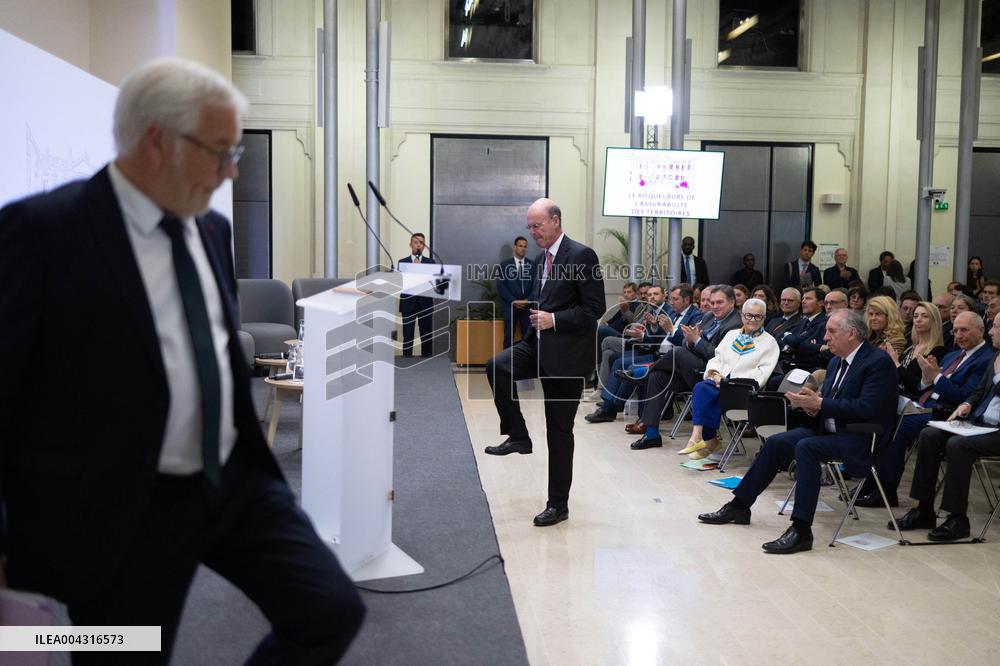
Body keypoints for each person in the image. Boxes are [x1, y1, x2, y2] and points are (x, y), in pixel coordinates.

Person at [0, 58, 365, 663]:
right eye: (221, 152)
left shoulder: (211, 230)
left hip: (232, 480)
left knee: (329, 611)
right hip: (122, 507)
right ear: (156, 141)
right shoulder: (43, 233)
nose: (230, 172)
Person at [698, 309, 898, 554]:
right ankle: (739, 505)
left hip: (861, 436)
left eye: (831, 331)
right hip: (830, 430)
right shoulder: (836, 361)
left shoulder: (878, 362)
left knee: (807, 448)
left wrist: (820, 404)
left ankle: (802, 530)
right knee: (776, 442)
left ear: (852, 334)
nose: (825, 337)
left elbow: (868, 408)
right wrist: (811, 405)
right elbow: (830, 403)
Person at [484, 198, 604, 527]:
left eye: (537, 225)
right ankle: (518, 435)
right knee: (497, 366)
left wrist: (555, 319)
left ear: (555, 221)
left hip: (567, 358)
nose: (533, 232)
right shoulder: (540, 260)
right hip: (537, 346)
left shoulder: (582, 256)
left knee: (558, 432)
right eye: (529, 227)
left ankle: (558, 505)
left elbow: (594, 308)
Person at [858, 310, 990, 506]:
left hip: (949, 414)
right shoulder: (953, 355)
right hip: (923, 405)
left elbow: (964, 396)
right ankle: (871, 481)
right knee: (882, 415)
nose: (959, 335)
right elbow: (926, 387)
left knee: (900, 424)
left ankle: (885, 489)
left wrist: (936, 377)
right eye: (955, 331)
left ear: (980, 330)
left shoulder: (985, 358)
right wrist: (927, 378)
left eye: (964, 330)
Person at [893, 312, 1000, 541]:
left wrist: (938, 378)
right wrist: (966, 404)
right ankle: (924, 509)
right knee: (929, 435)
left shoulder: (989, 357)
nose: (992, 331)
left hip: (997, 430)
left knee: (958, 445)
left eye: (996, 327)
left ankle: (958, 517)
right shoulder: (996, 358)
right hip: (980, 422)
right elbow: (979, 391)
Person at [647, 299, 779, 457]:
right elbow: (717, 359)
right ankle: (699, 437)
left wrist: (730, 383)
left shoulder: (769, 342)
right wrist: (714, 374)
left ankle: (708, 440)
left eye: (758, 316)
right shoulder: (732, 335)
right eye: (749, 315)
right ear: (742, 316)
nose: (752, 320)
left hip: (742, 390)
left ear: (764, 318)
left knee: (708, 392)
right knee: (701, 387)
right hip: (720, 383)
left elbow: (762, 374)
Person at [622, 285, 743, 439]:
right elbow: (686, 341)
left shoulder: (735, 324)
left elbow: (721, 357)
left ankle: (645, 371)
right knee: (657, 376)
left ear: (732, 303)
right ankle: (651, 434)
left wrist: (697, 341)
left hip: (711, 376)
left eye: (719, 302)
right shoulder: (708, 317)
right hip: (690, 369)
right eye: (712, 303)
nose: (714, 306)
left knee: (678, 352)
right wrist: (692, 341)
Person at [398, 232, 436, 357]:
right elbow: (401, 283)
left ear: (424, 246)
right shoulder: (402, 262)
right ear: (410, 245)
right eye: (416, 242)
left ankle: (427, 361)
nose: (418, 245)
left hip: (425, 303)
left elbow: (434, 283)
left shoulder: (430, 263)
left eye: (421, 243)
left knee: (426, 335)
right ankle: (406, 360)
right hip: (408, 304)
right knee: (407, 335)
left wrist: (422, 269)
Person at [496, 235, 535, 349]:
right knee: (508, 337)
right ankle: (506, 360)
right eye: (520, 246)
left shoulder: (533, 265)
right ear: (515, 247)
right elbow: (501, 287)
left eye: (525, 246)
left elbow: (536, 286)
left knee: (527, 338)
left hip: (527, 307)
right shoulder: (504, 265)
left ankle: (525, 360)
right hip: (510, 306)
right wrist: (514, 301)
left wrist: (527, 300)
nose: (523, 248)